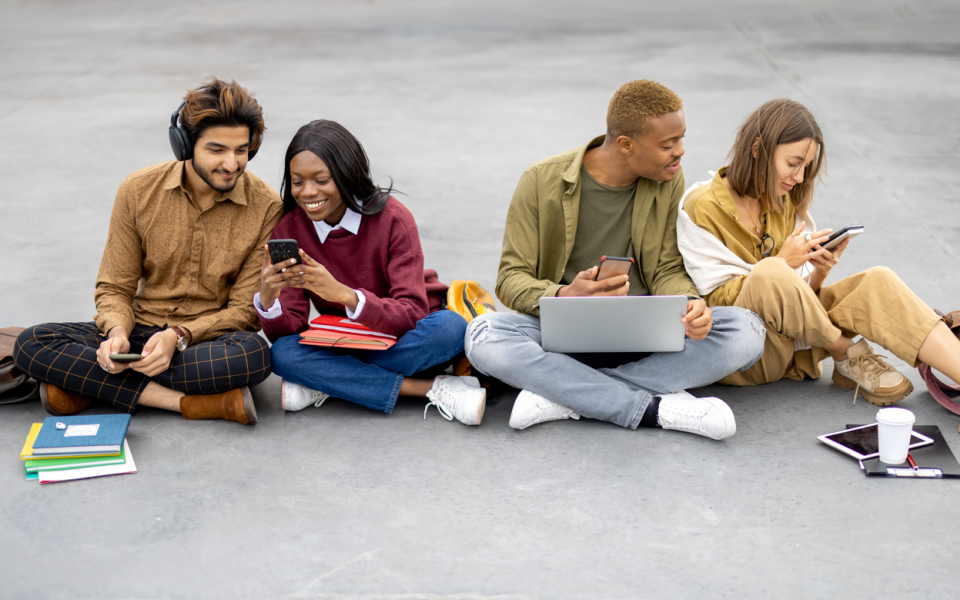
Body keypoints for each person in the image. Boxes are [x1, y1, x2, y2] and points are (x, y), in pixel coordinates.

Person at [463, 80, 766, 439]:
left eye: (681, 139)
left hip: (644, 333)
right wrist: (564, 295)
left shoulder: (667, 178)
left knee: (747, 329)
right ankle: (653, 409)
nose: (680, 152)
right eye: (667, 144)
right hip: (560, 336)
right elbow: (511, 278)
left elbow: (667, 267)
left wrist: (690, 302)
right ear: (625, 144)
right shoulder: (540, 181)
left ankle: (566, 396)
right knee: (483, 334)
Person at [13, 78, 282, 424]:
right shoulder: (138, 190)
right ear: (184, 144)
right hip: (136, 330)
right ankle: (187, 403)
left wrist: (178, 336)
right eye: (217, 150)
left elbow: (244, 311)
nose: (232, 163)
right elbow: (114, 287)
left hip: (202, 342)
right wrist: (117, 334)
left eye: (241, 151)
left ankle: (88, 385)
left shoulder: (266, 206)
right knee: (32, 342)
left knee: (254, 356)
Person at [678, 98, 960, 406]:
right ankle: (845, 352)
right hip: (745, 353)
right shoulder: (702, 205)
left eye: (805, 167)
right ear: (757, 148)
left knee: (878, 279)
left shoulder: (781, 199)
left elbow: (795, 305)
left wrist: (818, 272)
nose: (798, 177)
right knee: (770, 271)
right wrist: (782, 263)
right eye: (793, 163)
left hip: (796, 342)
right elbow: (709, 305)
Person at [257, 120, 486, 425]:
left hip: (407, 332)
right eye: (297, 181)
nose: (308, 192)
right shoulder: (290, 229)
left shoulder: (393, 219)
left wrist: (345, 296)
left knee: (450, 328)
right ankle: (429, 388)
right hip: (348, 338)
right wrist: (269, 299)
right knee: (283, 353)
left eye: (321, 180)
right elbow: (288, 332)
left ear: (347, 174)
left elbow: (410, 313)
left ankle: (333, 381)